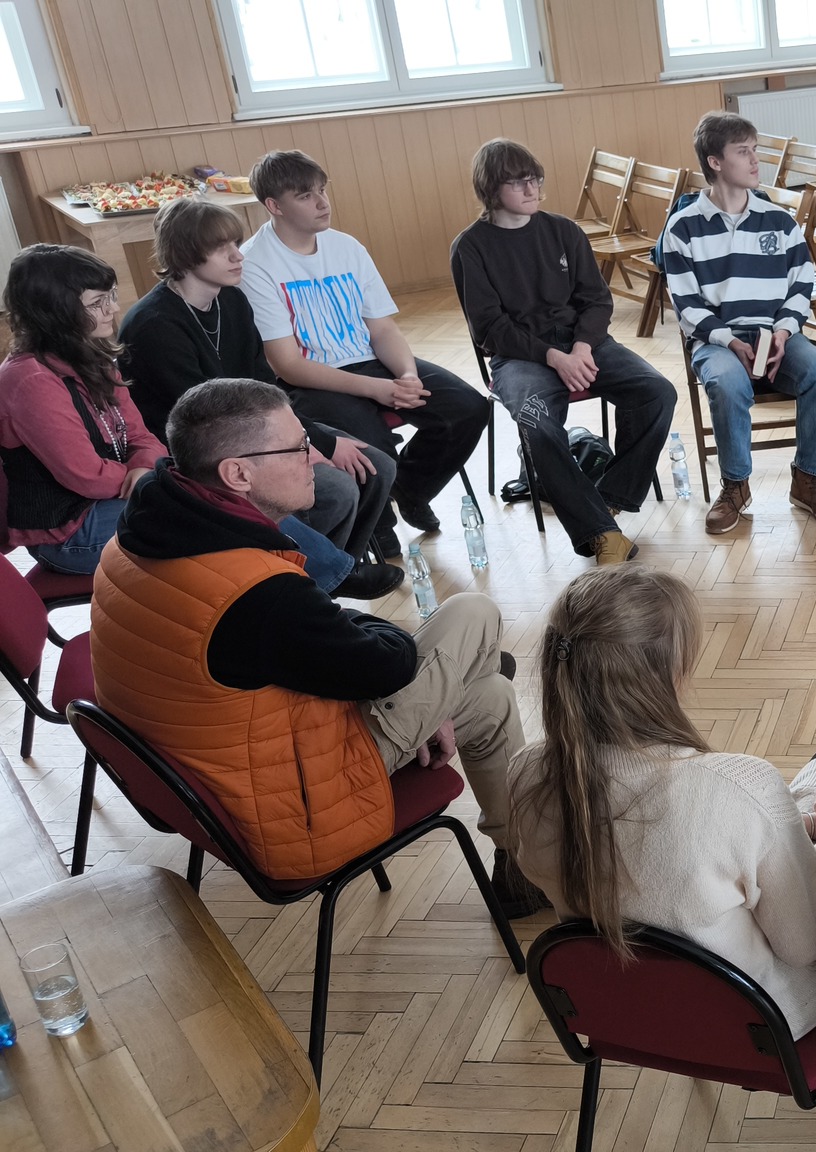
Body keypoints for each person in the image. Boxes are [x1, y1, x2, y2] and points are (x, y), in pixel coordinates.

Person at [89, 378, 540, 911]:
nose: (315, 457)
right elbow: (387, 666)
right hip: (291, 806)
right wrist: (421, 675)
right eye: (298, 446)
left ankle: (521, 870)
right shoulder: (259, 594)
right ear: (238, 474)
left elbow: (307, 638)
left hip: (213, 769)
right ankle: (526, 860)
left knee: (489, 697)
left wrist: (435, 693)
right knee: (474, 612)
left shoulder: (145, 531)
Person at [507, 566, 816, 1037]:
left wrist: (782, 830)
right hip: (757, 1027)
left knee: (788, 817)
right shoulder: (739, 786)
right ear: (664, 674)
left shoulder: (524, 774)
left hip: (625, 1013)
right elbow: (811, 943)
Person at [118, 197, 402, 598]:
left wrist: (313, 441)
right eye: (222, 248)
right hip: (206, 454)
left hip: (254, 431)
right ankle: (301, 586)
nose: (238, 256)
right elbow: (205, 422)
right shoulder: (153, 325)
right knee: (336, 491)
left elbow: (264, 385)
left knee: (377, 467)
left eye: (236, 244)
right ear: (184, 255)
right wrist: (301, 448)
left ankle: (325, 583)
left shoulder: (231, 299)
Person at [239, 149, 491, 548]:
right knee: (371, 442)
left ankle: (409, 490)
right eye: (305, 196)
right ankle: (379, 527)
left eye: (322, 190)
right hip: (311, 381)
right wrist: (378, 389)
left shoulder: (346, 247)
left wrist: (406, 375)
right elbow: (287, 365)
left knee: (468, 407)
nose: (322, 202)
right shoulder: (254, 263)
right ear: (274, 206)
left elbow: (382, 328)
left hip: (371, 363)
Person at [452, 138, 677, 566]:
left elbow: (597, 299)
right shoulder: (470, 247)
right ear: (491, 188)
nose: (531, 189)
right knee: (537, 425)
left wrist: (581, 346)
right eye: (518, 182)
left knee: (657, 392)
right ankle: (601, 534)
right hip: (519, 356)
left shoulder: (563, 230)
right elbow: (490, 329)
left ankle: (607, 500)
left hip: (583, 343)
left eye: (535, 179)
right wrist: (553, 357)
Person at [661, 112, 816, 535]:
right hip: (716, 341)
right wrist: (728, 341)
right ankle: (735, 486)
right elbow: (686, 304)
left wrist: (783, 331)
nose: (755, 159)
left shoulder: (778, 219)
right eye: (742, 152)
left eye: (755, 149)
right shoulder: (683, 227)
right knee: (728, 383)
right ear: (715, 162)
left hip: (775, 333)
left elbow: (802, 282)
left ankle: (809, 480)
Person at [0, 245, 166, 576]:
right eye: (97, 302)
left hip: (110, 501)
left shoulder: (93, 356)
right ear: (56, 311)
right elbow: (87, 476)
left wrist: (146, 466)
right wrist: (144, 480)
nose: (113, 308)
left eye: (111, 296)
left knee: (219, 505)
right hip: (67, 532)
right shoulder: (30, 380)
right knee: (202, 523)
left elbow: (140, 435)